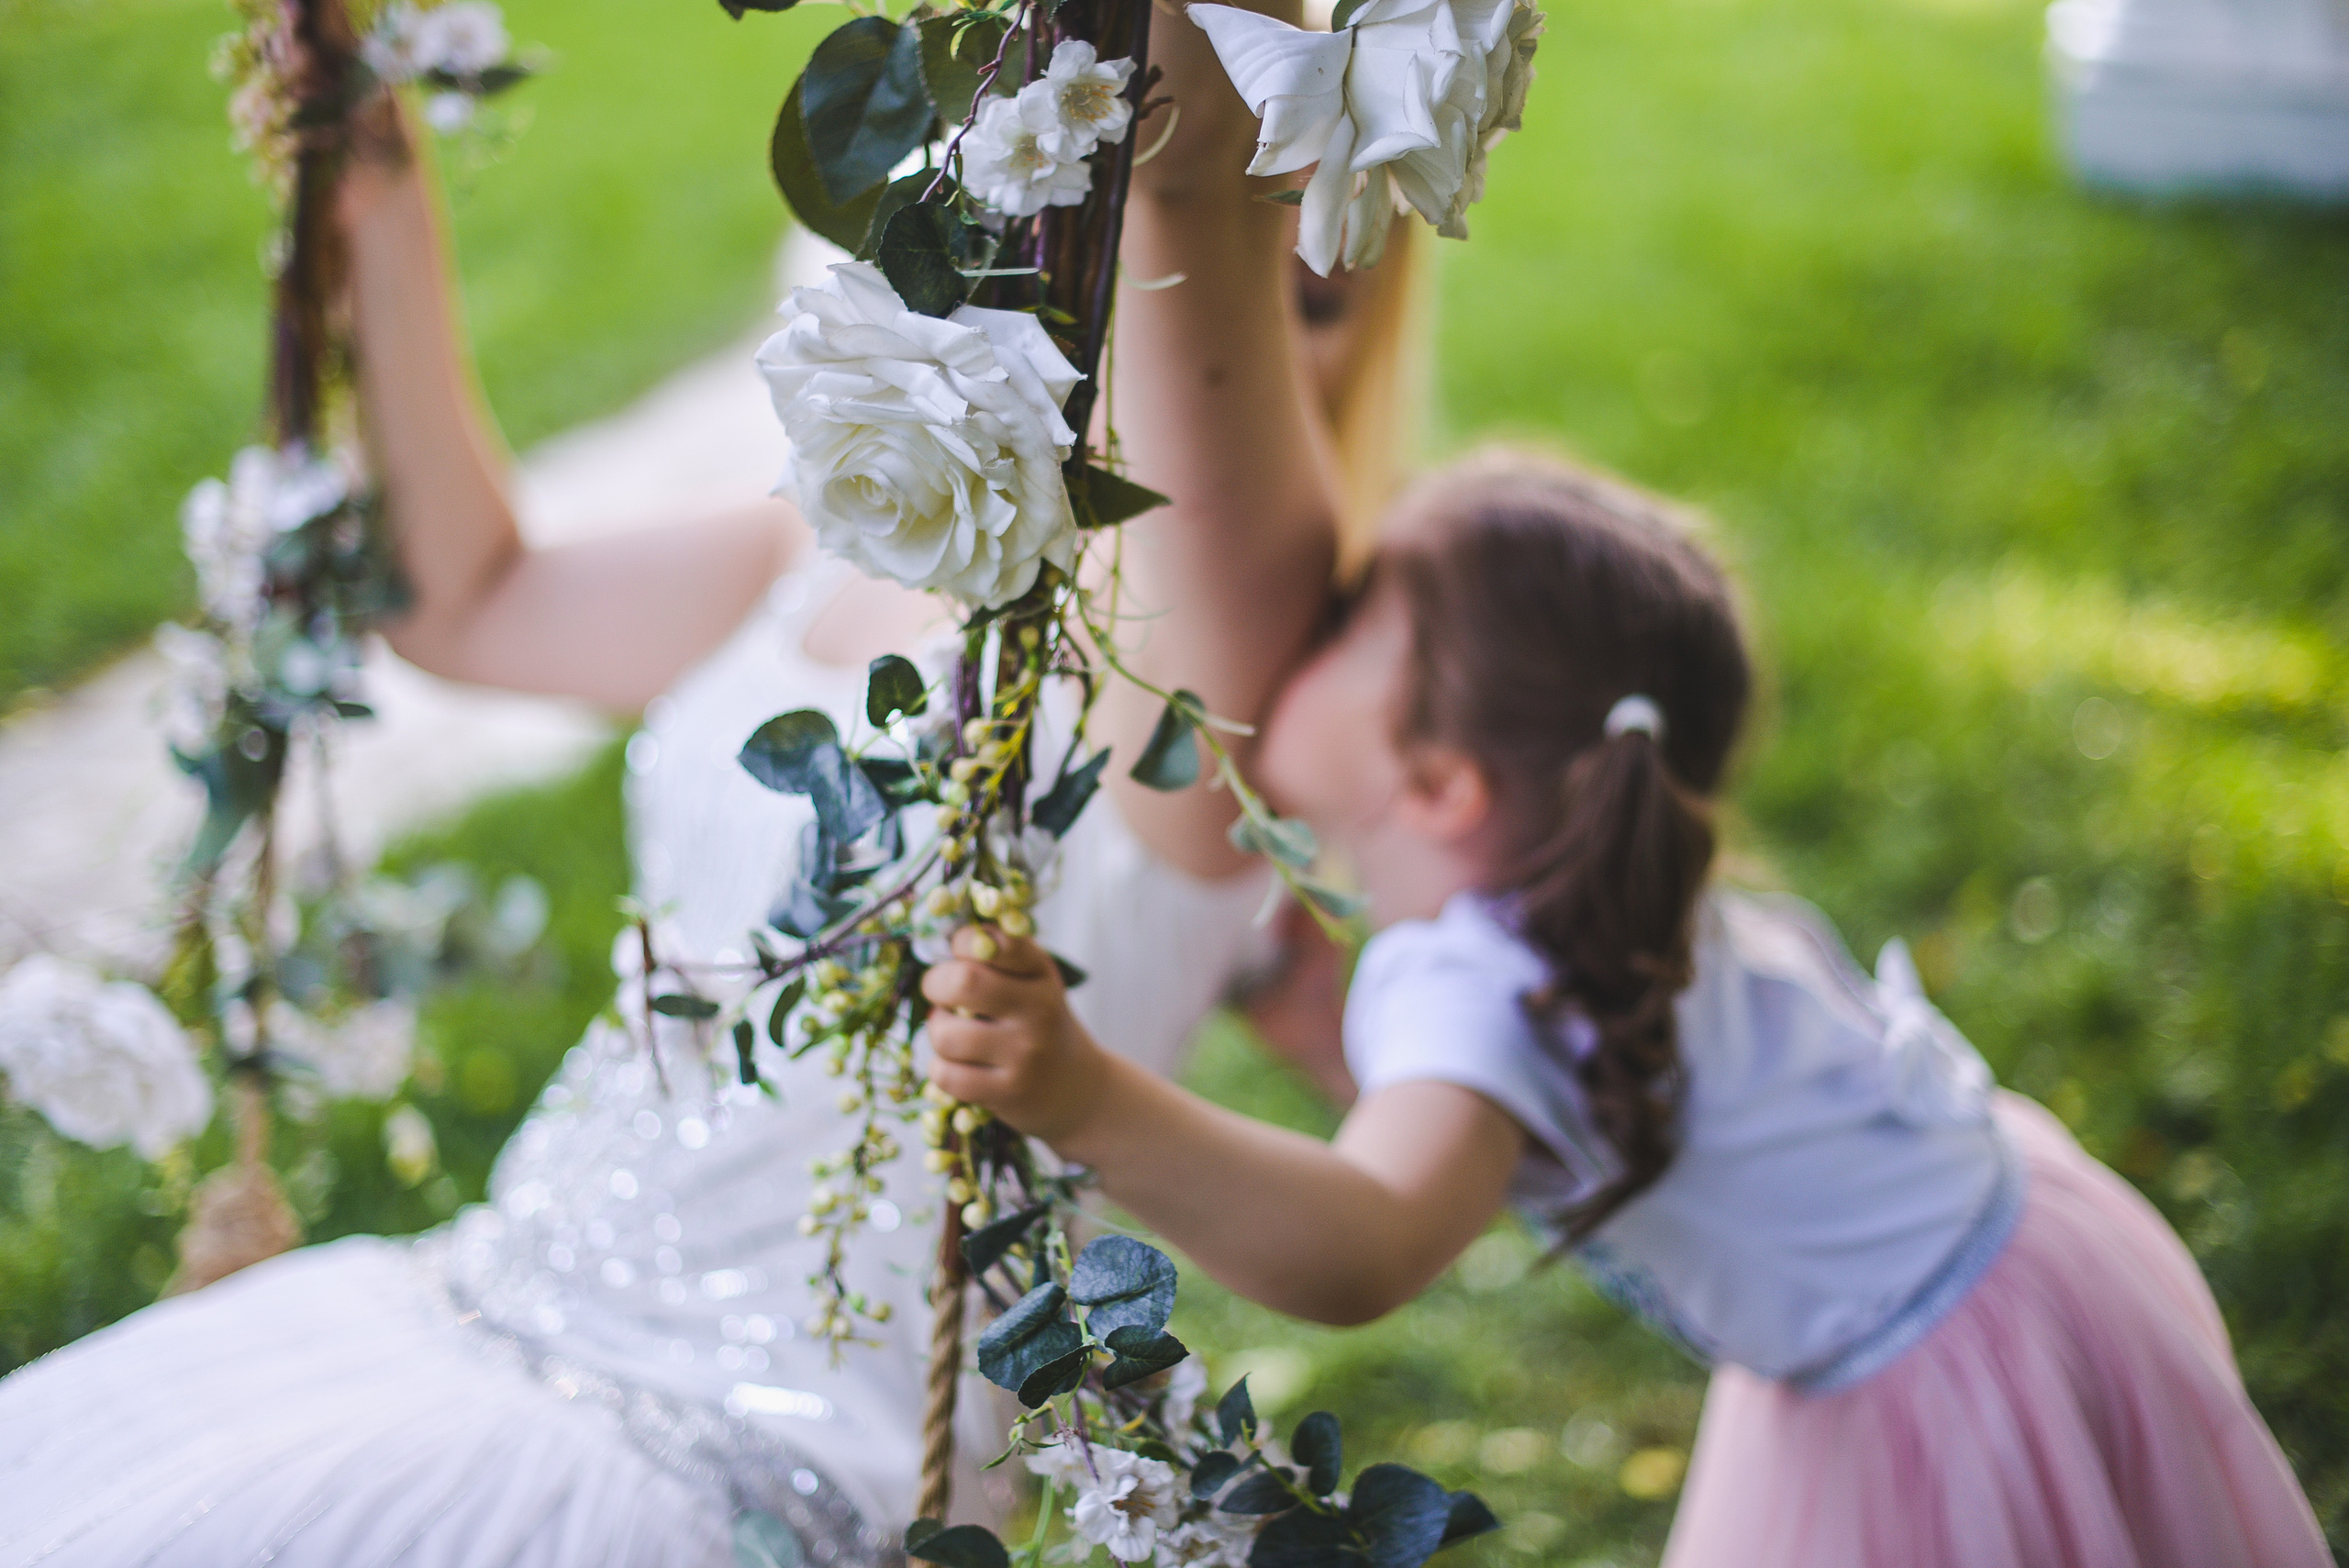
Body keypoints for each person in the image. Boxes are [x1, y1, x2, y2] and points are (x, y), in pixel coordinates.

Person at [0, 4, 1402, 1562]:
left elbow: (1191, 182)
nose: (1210, 317)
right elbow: (466, 598)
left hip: (745, 1472)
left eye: (1310, 292)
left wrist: (1198, 139)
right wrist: (377, 177)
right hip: (487, 1308)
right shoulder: (853, 537)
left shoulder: (1229, 689)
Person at [917, 452, 2335, 1568]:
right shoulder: (1591, 888)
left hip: (1935, 1379)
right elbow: (1483, 1115)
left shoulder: (1480, 976)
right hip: (2019, 1250)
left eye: (1356, 619)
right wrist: (1301, 999)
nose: (1314, 614)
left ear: (1440, 786)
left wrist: (1088, 1100)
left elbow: (1367, 1241)